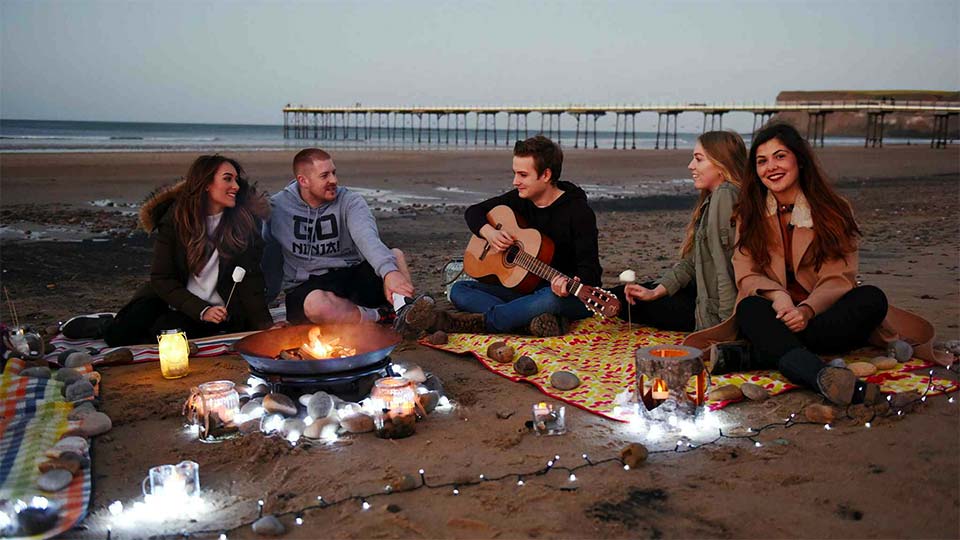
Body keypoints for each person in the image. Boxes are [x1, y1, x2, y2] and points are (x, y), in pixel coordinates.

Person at [685, 123, 943, 405]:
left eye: (780, 156)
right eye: (762, 161)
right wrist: (778, 296)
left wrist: (807, 310)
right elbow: (746, 273)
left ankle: (757, 355)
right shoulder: (749, 212)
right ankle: (822, 376)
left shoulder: (834, 209)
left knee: (871, 299)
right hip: (776, 314)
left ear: (800, 159)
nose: (771, 167)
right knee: (749, 308)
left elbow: (838, 277)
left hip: (821, 315)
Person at [61, 155, 274, 345]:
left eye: (236, 179)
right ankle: (107, 323)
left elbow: (251, 278)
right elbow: (161, 278)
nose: (236, 186)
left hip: (221, 310)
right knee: (118, 337)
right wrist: (201, 309)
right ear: (206, 184)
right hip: (178, 302)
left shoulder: (244, 224)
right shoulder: (176, 220)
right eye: (228, 179)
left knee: (173, 337)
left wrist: (264, 324)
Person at [405, 135, 602, 337]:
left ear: (546, 175)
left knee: (548, 300)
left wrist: (567, 285)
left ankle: (480, 322)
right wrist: (489, 233)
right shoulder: (519, 199)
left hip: (566, 296)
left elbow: (592, 274)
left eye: (523, 175)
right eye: (515, 173)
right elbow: (474, 212)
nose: (515, 182)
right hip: (525, 292)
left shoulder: (578, 212)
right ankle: (526, 321)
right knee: (459, 290)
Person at [263, 148, 416, 326]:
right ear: (303, 180)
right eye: (325, 175)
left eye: (334, 173)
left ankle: (405, 311)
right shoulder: (278, 207)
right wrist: (265, 300)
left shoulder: (350, 201)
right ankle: (378, 316)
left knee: (395, 256)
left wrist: (390, 272)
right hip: (307, 287)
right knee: (318, 306)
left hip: (350, 276)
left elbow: (367, 237)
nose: (334, 180)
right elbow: (267, 254)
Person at [610, 131, 745, 332]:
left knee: (620, 299)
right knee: (627, 295)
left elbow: (725, 268)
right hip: (700, 293)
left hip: (712, 310)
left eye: (698, 159)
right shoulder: (714, 198)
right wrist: (655, 292)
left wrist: (724, 329)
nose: (691, 166)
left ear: (721, 164)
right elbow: (691, 263)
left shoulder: (724, 196)